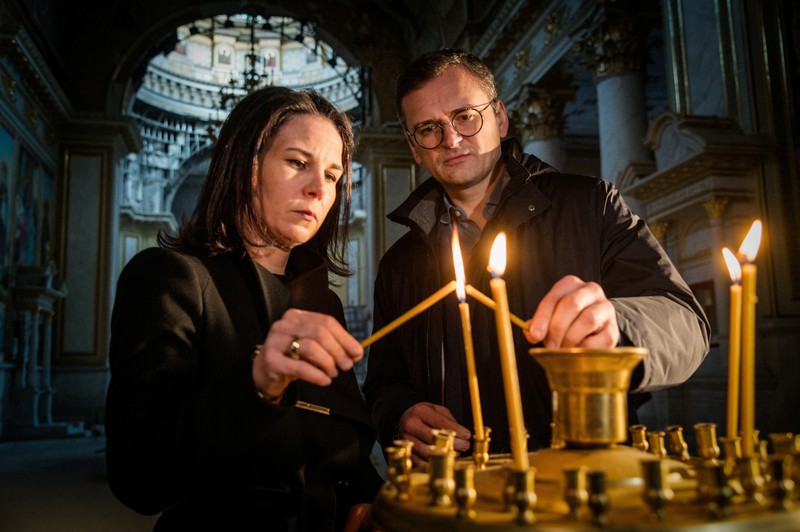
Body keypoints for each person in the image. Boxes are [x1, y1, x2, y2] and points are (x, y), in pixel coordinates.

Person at [362, 49, 711, 466]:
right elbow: (384, 382)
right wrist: (399, 418)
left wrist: (616, 327)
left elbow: (686, 325)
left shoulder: (591, 205)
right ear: (414, 147)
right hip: (457, 492)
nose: (451, 139)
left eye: (465, 116)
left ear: (500, 118)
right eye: (428, 129)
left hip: (581, 480)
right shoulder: (399, 263)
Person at [105, 87, 382, 531]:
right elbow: (138, 477)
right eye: (297, 162)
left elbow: (339, 450)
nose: (318, 188)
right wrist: (258, 382)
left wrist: (372, 505)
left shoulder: (321, 302)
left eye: (332, 176)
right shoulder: (171, 279)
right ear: (247, 168)